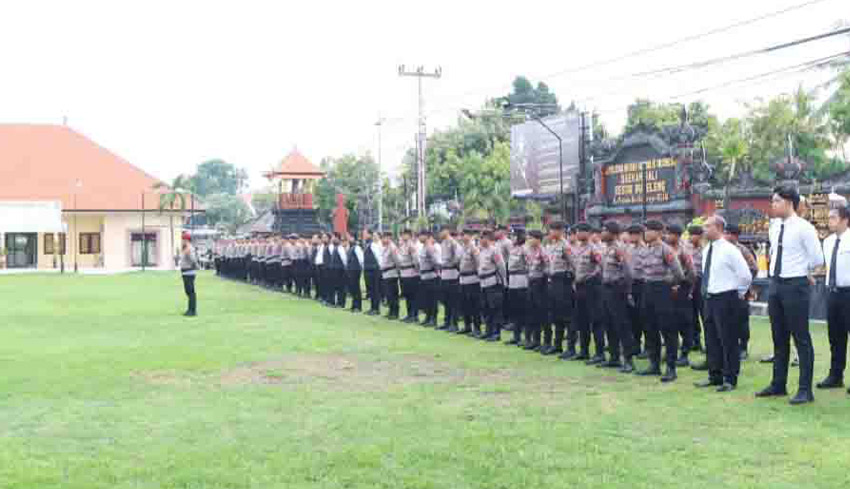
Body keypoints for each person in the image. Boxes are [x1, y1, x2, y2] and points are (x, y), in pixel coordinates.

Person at [756, 185, 824, 405]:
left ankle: (805, 390)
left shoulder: (804, 228)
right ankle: (778, 384)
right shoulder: (775, 226)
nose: (772, 205)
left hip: (796, 285)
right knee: (779, 336)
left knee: (801, 338)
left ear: (788, 202)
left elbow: (817, 259)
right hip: (776, 284)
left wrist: (802, 272)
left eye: (776, 201)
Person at [695, 216, 753, 392]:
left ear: (719, 227)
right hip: (710, 297)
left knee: (728, 339)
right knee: (711, 338)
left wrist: (739, 293)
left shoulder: (730, 250)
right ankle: (715, 374)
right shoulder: (707, 250)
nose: (704, 229)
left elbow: (745, 275)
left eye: (708, 226)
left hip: (726, 297)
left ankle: (730, 378)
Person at [637, 220, 685, 382]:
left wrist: (667, 284)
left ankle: (671, 368)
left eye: (648, 230)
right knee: (650, 329)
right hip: (647, 290)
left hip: (662, 291)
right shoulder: (645, 249)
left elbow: (678, 273)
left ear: (658, 232)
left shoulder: (666, 249)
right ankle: (654, 364)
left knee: (668, 330)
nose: (645, 233)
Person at [818, 206, 850, 392]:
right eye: (829, 217)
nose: (829, 221)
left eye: (833, 217)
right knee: (835, 336)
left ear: (845, 219)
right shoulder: (828, 242)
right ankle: (835, 375)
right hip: (833, 293)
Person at [599, 221, 636, 372]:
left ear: (613, 233)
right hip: (606, 289)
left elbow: (628, 272)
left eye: (604, 230)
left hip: (617, 290)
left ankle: (628, 360)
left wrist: (626, 292)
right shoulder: (607, 249)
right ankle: (614, 357)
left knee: (622, 325)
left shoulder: (620, 249)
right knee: (609, 323)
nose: (602, 232)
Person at [571, 222, 605, 363]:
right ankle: (584, 351)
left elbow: (602, 265)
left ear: (588, 233)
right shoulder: (577, 248)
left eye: (581, 231)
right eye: (577, 231)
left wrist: (594, 277)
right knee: (582, 320)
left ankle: (599, 353)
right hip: (579, 287)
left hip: (592, 287)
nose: (578, 234)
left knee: (596, 321)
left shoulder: (594, 249)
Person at [725, 224, 759, 360]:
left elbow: (754, 268)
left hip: (740, 292)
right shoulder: (720, 248)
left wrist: (742, 284)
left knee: (742, 321)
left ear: (735, 236)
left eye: (728, 233)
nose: (725, 236)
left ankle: (743, 347)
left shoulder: (742, 250)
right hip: (724, 290)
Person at [666, 224, 696, 367]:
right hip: (666, 289)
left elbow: (692, 272)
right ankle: (671, 352)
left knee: (684, 322)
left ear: (677, 236)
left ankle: (684, 354)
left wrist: (684, 287)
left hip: (680, 290)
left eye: (670, 233)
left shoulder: (683, 251)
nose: (667, 236)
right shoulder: (664, 249)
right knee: (669, 322)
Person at [544, 221, 574, 357]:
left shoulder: (565, 246)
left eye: (554, 230)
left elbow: (574, 264)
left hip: (563, 282)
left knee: (567, 316)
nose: (551, 232)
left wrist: (572, 281)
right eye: (551, 229)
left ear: (561, 231)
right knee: (556, 315)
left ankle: (571, 348)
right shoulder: (551, 245)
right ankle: (557, 345)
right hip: (553, 281)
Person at [476, 230, 507, 342]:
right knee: (486, 308)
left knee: (495, 309)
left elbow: (501, 267)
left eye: (482, 237)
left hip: (493, 282)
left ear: (487, 238)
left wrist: (504, 281)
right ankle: (488, 331)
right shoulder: (482, 251)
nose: (480, 240)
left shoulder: (494, 250)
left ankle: (496, 332)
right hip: (484, 283)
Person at [524, 230, 548, 351]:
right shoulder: (528, 250)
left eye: (531, 238)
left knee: (539, 313)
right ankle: (530, 339)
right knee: (530, 311)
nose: (528, 240)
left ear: (538, 239)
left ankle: (538, 340)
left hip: (540, 284)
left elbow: (548, 267)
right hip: (531, 282)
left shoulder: (543, 251)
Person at [505, 229, 530, 346]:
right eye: (512, 235)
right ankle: (516, 336)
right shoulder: (513, 249)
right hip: (513, 281)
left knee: (523, 310)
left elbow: (530, 265)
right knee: (514, 310)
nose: (512, 237)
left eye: (514, 235)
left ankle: (526, 337)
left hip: (521, 280)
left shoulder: (525, 249)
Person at [626, 224, 647, 358]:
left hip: (642, 285)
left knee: (644, 317)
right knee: (633, 318)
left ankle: (648, 347)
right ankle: (636, 345)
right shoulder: (629, 249)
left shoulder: (645, 250)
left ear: (639, 234)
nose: (629, 237)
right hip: (631, 285)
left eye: (631, 234)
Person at [458, 228, 482, 336]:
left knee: (474, 306)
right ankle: (467, 326)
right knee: (464, 305)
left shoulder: (474, 248)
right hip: (463, 279)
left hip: (473, 279)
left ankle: (477, 328)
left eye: (464, 235)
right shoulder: (462, 248)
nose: (462, 237)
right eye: (461, 235)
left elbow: (479, 264)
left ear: (469, 236)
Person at [439, 227, 463, 332]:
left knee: (454, 301)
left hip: (452, 274)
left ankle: (454, 324)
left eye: (441, 231)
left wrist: (452, 264)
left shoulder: (453, 243)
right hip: (444, 274)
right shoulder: (443, 243)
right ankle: (447, 322)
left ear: (446, 231)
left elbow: (458, 256)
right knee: (446, 300)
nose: (440, 233)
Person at [418, 230, 442, 327]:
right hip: (425, 276)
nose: (419, 238)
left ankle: (433, 319)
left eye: (421, 235)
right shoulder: (423, 247)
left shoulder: (430, 248)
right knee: (427, 299)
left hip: (431, 276)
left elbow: (436, 262)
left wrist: (436, 272)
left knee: (433, 299)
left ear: (427, 236)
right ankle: (428, 317)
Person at [398, 229, 420, 323]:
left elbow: (416, 260)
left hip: (411, 272)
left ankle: (414, 315)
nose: (403, 236)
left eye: (404, 235)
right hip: (404, 273)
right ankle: (409, 314)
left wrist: (416, 270)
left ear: (409, 235)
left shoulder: (411, 246)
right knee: (407, 295)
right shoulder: (403, 246)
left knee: (413, 295)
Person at [380, 232, 401, 320]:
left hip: (391, 273)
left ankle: (395, 312)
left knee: (393, 294)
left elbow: (397, 261)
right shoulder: (386, 248)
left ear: (388, 238)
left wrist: (398, 272)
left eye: (384, 238)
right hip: (386, 274)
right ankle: (391, 310)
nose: (382, 240)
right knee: (388, 294)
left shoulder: (392, 248)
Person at [362, 229, 383, 315]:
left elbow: (379, 258)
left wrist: (381, 269)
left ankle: (376, 309)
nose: (374, 237)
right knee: (371, 290)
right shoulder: (369, 244)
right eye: (373, 236)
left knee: (376, 290)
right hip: (369, 269)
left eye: (375, 236)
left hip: (375, 269)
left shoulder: (377, 245)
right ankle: (372, 307)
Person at [179, 232, 199, 317]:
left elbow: (193, 259)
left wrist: (195, 265)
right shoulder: (186, 248)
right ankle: (190, 309)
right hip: (185, 272)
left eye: (183, 239)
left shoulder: (189, 248)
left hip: (189, 272)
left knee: (191, 292)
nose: (182, 241)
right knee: (188, 292)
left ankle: (192, 311)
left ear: (186, 240)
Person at [346, 233, 363, 313]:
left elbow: (361, 259)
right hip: (350, 270)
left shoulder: (357, 248)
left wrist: (360, 269)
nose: (348, 239)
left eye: (350, 237)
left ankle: (358, 306)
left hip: (355, 270)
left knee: (356, 288)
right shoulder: (350, 247)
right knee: (352, 288)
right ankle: (353, 305)